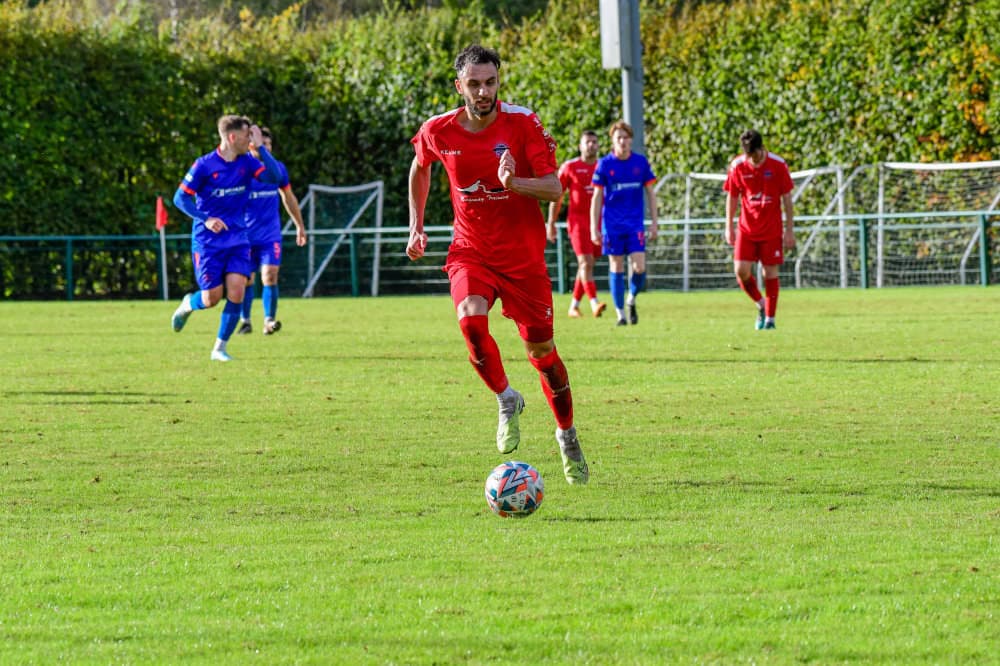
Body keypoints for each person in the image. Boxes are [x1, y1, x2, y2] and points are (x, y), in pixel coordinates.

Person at [406, 44, 589, 485]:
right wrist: (416, 225)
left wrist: (513, 182)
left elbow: (554, 189)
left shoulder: (523, 123)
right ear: (459, 86)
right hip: (471, 250)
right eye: (474, 84)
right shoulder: (438, 129)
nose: (483, 91)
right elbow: (420, 167)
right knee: (470, 321)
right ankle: (506, 398)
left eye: (490, 82)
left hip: (523, 260)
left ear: (498, 81)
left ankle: (566, 433)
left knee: (543, 354)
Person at [170, 114, 284, 361]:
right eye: (246, 136)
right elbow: (180, 198)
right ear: (232, 137)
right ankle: (188, 304)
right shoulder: (204, 165)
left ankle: (219, 349)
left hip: (238, 238)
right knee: (211, 298)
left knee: (237, 291)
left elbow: (275, 177)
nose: (249, 140)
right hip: (208, 242)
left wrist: (261, 148)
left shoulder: (248, 162)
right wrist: (205, 218)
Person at [237, 126, 307, 336]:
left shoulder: (277, 169)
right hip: (245, 236)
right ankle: (245, 321)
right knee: (245, 279)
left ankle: (269, 321)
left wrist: (299, 225)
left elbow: (288, 197)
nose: (265, 147)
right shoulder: (241, 170)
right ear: (250, 144)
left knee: (270, 275)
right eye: (262, 143)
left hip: (270, 235)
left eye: (268, 144)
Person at [723, 129, 795, 330]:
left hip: (771, 229)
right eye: (748, 155)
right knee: (741, 271)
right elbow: (732, 196)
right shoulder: (738, 165)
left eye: (754, 154)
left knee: (769, 272)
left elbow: (787, 199)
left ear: (761, 148)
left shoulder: (778, 164)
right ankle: (761, 304)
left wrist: (790, 229)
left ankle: (770, 320)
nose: (751, 159)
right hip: (746, 229)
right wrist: (728, 226)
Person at [590, 121, 658, 326]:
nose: (623, 141)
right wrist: (594, 227)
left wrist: (655, 222)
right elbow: (597, 197)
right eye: (619, 137)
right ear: (612, 141)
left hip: (635, 224)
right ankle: (620, 314)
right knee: (616, 265)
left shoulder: (640, 162)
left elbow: (651, 193)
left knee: (639, 267)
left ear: (631, 140)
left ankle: (631, 298)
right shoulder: (604, 164)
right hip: (612, 226)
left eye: (626, 137)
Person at [547, 130, 607, 318]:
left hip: (599, 223)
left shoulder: (603, 166)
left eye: (594, 142)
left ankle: (573, 306)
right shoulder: (570, 167)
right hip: (578, 223)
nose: (591, 145)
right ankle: (594, 303)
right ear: (580, 146)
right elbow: (557, 196)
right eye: (587, 142)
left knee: (586, 266)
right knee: (585, 263)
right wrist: (551, 222)